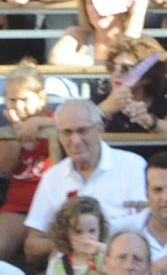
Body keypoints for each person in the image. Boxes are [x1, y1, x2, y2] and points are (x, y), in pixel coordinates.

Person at [23, 99, 145, 265]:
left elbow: (147, 227)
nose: (76, 141)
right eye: (67, 132)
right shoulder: (52, 177)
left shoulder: (132, 166)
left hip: (121, 268)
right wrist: (71, 241)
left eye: (82, 131)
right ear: (59, 136)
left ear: (100, 129)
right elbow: (32, 246)